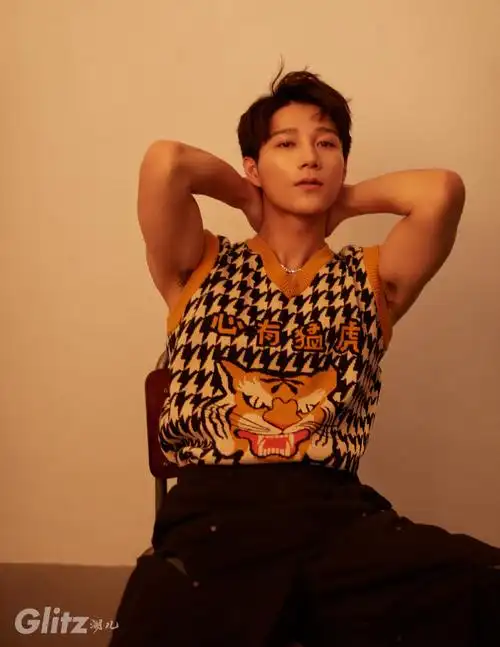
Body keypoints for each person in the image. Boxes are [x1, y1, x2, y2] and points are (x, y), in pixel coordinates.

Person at [110, 64, 500, 647]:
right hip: (215, 518)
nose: (310, 158)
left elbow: (441, 191)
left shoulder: (370, 278)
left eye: (327, 144)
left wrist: (339, 205)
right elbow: (166, 162)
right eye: (286, 144)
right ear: (253, 165)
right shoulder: (201, 264)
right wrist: (250, 198)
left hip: (334, 518)